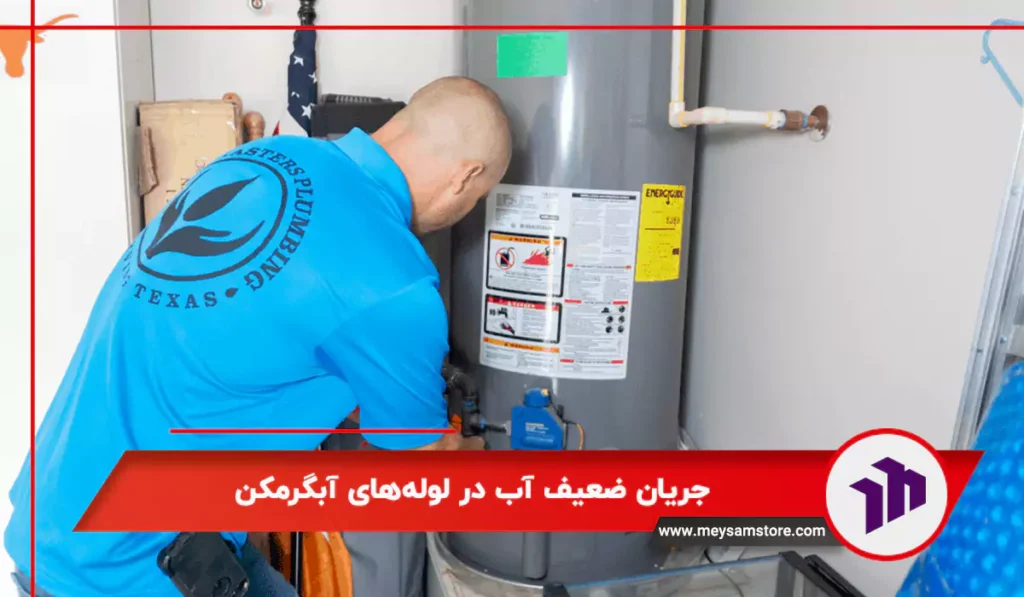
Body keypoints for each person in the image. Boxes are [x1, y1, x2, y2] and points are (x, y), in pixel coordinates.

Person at [5, 75, 512, 597]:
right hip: (132, 567)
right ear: (466, 178)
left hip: (53, 514)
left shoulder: (264, 159)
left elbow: (247, 340)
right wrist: (480, 455)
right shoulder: (395, 282)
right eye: (476, 199)